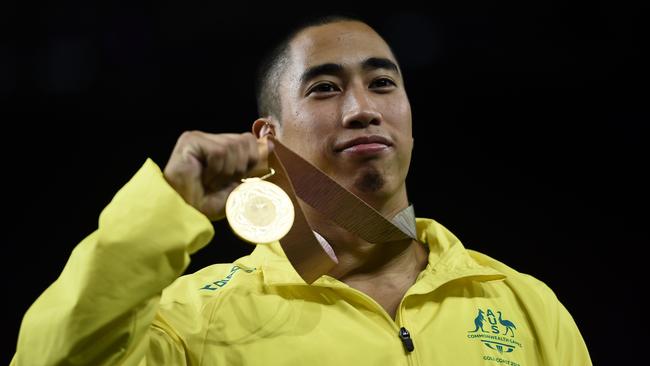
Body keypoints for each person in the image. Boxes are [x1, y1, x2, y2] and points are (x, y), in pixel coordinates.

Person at [11, 16, 591, 365]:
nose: (363, 108)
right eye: (324, 88)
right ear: (267, 137)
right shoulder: (197, 317)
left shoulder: (524, 305)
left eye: (382, 83)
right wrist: (165, 207)